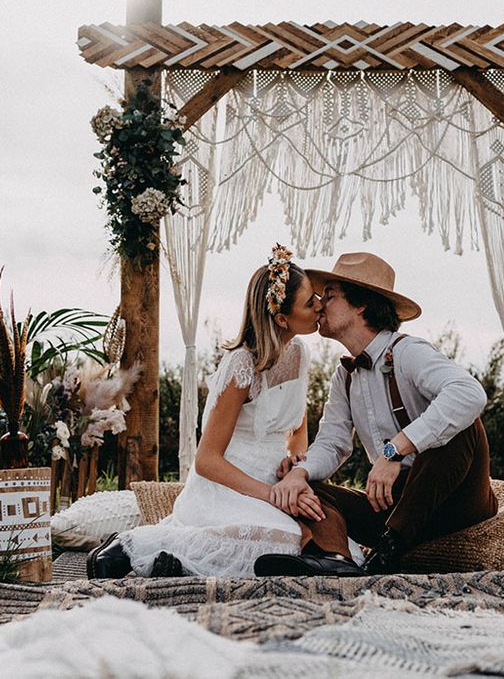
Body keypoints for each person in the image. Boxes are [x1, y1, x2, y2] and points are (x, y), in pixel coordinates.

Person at [87, 244, 365, 580]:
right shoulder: (242, 365)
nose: (320, 305)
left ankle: (180, 561)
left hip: (274, 483)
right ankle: (134, 545)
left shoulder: (299, 354)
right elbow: (206, 460)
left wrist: (295, 468)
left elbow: (296, 432)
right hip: (227, 485)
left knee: (338, 547)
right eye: (310, 302)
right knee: (285, 541)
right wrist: (270, 495)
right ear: (281, 318)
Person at [256, 251, 498, 577]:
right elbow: (332, 443)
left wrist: (393, 450)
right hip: (394, 504)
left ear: (361, 305)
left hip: (453, 498)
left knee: (462, 425)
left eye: (330, 296)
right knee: (303, 484)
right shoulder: (344, 376)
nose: (320, 304)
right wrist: (301, 473)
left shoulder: (407, 351)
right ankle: (334, 558)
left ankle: (387, 552)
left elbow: (470, 393)